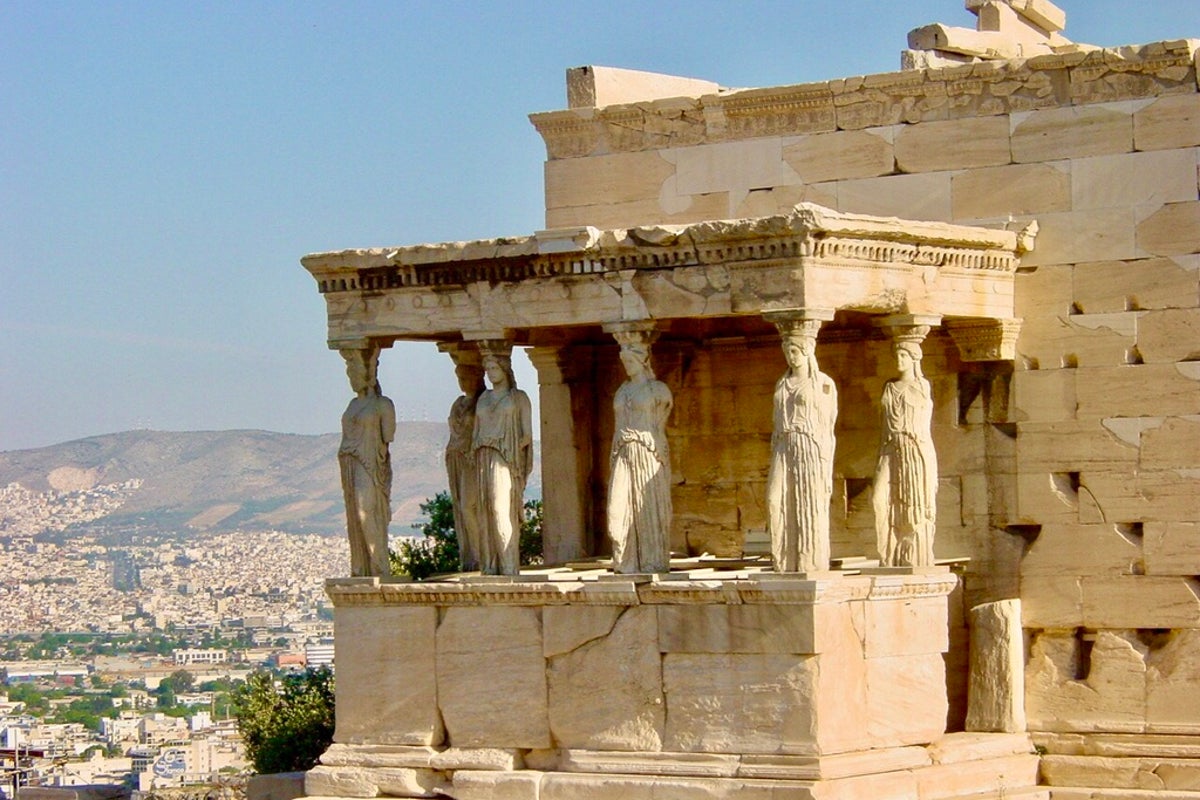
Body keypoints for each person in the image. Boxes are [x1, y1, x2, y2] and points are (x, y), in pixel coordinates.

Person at [766, 329, 837, 572]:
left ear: (807, 351)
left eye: (795, 351)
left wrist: (824, 457)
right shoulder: (782, 383)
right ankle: (784, 561)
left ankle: (809, 562)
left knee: (809, 502)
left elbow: (828, 422)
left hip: (809, 445)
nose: (791, 357)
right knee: (775, 499)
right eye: (788, 352)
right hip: (783, 445)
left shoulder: (823, 383)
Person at [607, 338, 673, 574]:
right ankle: (625, 562)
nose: (627, 366)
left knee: (649, 509)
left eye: (630, 361)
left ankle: (652, 562)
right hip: (622, 451)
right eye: (624, 361)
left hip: (647, 451)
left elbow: (661, 422)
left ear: (642, 361)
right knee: (616, 514)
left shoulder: (658, 390)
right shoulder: (622, 390)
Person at [873, 340, 938, 567]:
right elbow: (884, 423)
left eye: (904, 356)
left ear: (914, 359)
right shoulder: (889, 387)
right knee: (879, 499)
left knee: (913, 506)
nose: (899, 360)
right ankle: (888, 555)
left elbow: (923, 424)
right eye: (897, 356)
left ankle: (912, 558)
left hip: (914, 449)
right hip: (890, 448)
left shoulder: (922, 386)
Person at [472, 351, 533, 575]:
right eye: (487, 369)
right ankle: (490, 566)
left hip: (505, 458)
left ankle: (509, 565)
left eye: (494, 368)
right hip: (483, 456)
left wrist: (511, 450)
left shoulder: (518, 398)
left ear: (505, 369)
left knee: (501, 508)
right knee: (485, 510)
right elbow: (477, 430)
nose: (490, 374)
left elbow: (527, 435)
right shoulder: (483, 398)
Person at [337, 348, 396, 577]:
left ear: (368, 374)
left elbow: (388, 435)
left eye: (355, 372)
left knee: (365, 511)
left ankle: (379, 566)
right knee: (355, 514)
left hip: (370, 464)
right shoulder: (352, 404)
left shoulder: (383, 405)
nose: (352, 378)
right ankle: (363, 567)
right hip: (350, 463)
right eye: (349, 374)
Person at [446, 362, 485, 572]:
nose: (463, 382)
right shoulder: (458, 403)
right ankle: (470, 554)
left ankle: (482, 555)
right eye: (460, 378)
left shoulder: (484, 402)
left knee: (469, 506)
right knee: (461, 507)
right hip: (456, 456)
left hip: (474, 458)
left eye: (466, 377)